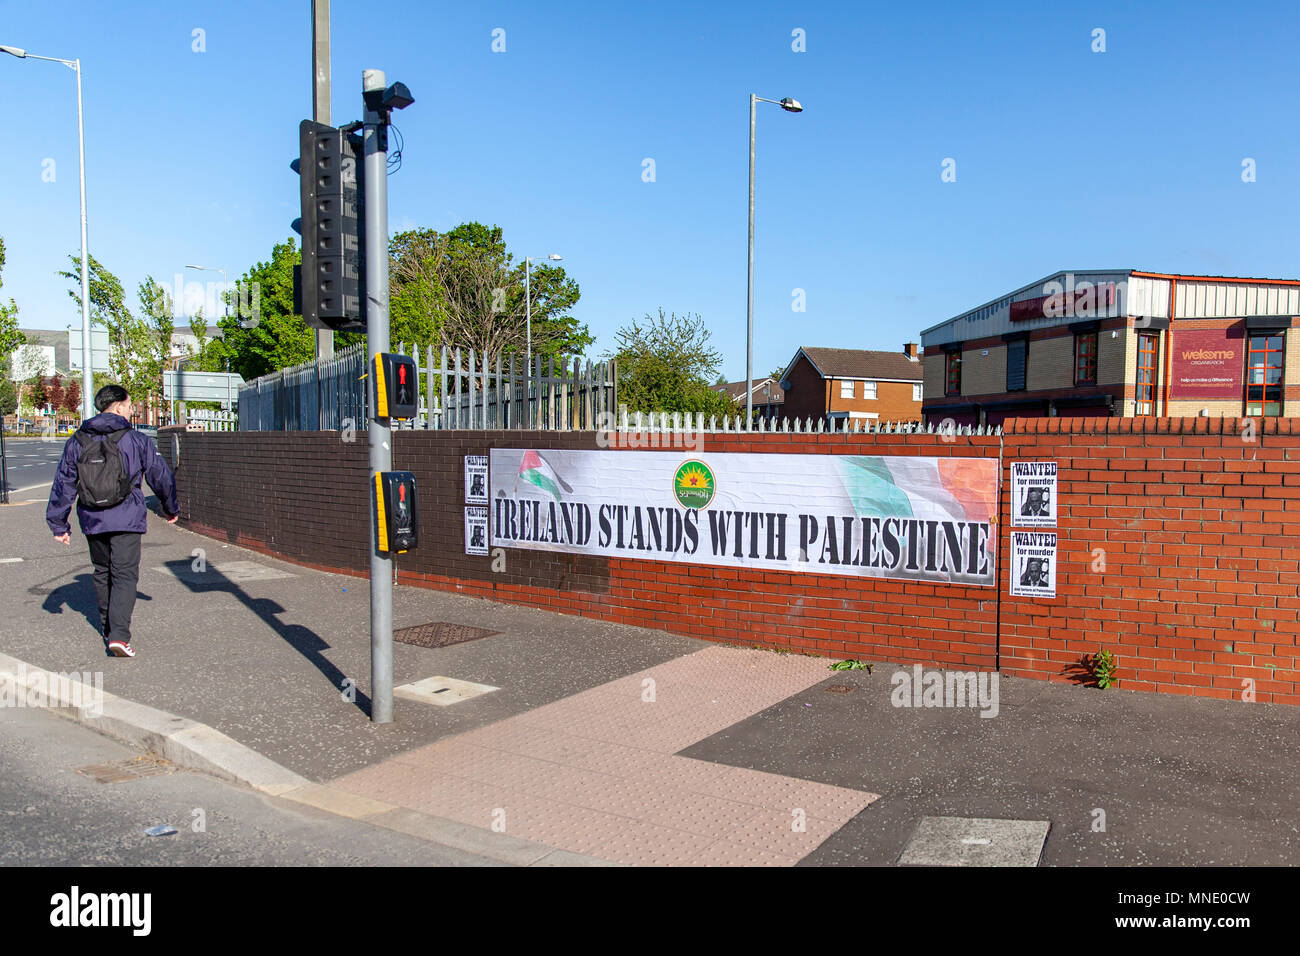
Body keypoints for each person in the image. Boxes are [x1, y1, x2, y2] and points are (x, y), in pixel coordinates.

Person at [46, 384, 179, 658]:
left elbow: (64, 483)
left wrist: (59, 524)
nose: (131, 411)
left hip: (92, 518)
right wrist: (170, 507)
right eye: (130, 405)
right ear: (118, 406)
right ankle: (119, 635)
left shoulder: (78, 440)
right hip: (127, 517)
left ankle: (109, 629)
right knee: (125, 575)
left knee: (102, 572)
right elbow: (160, 476)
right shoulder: (137, 440)